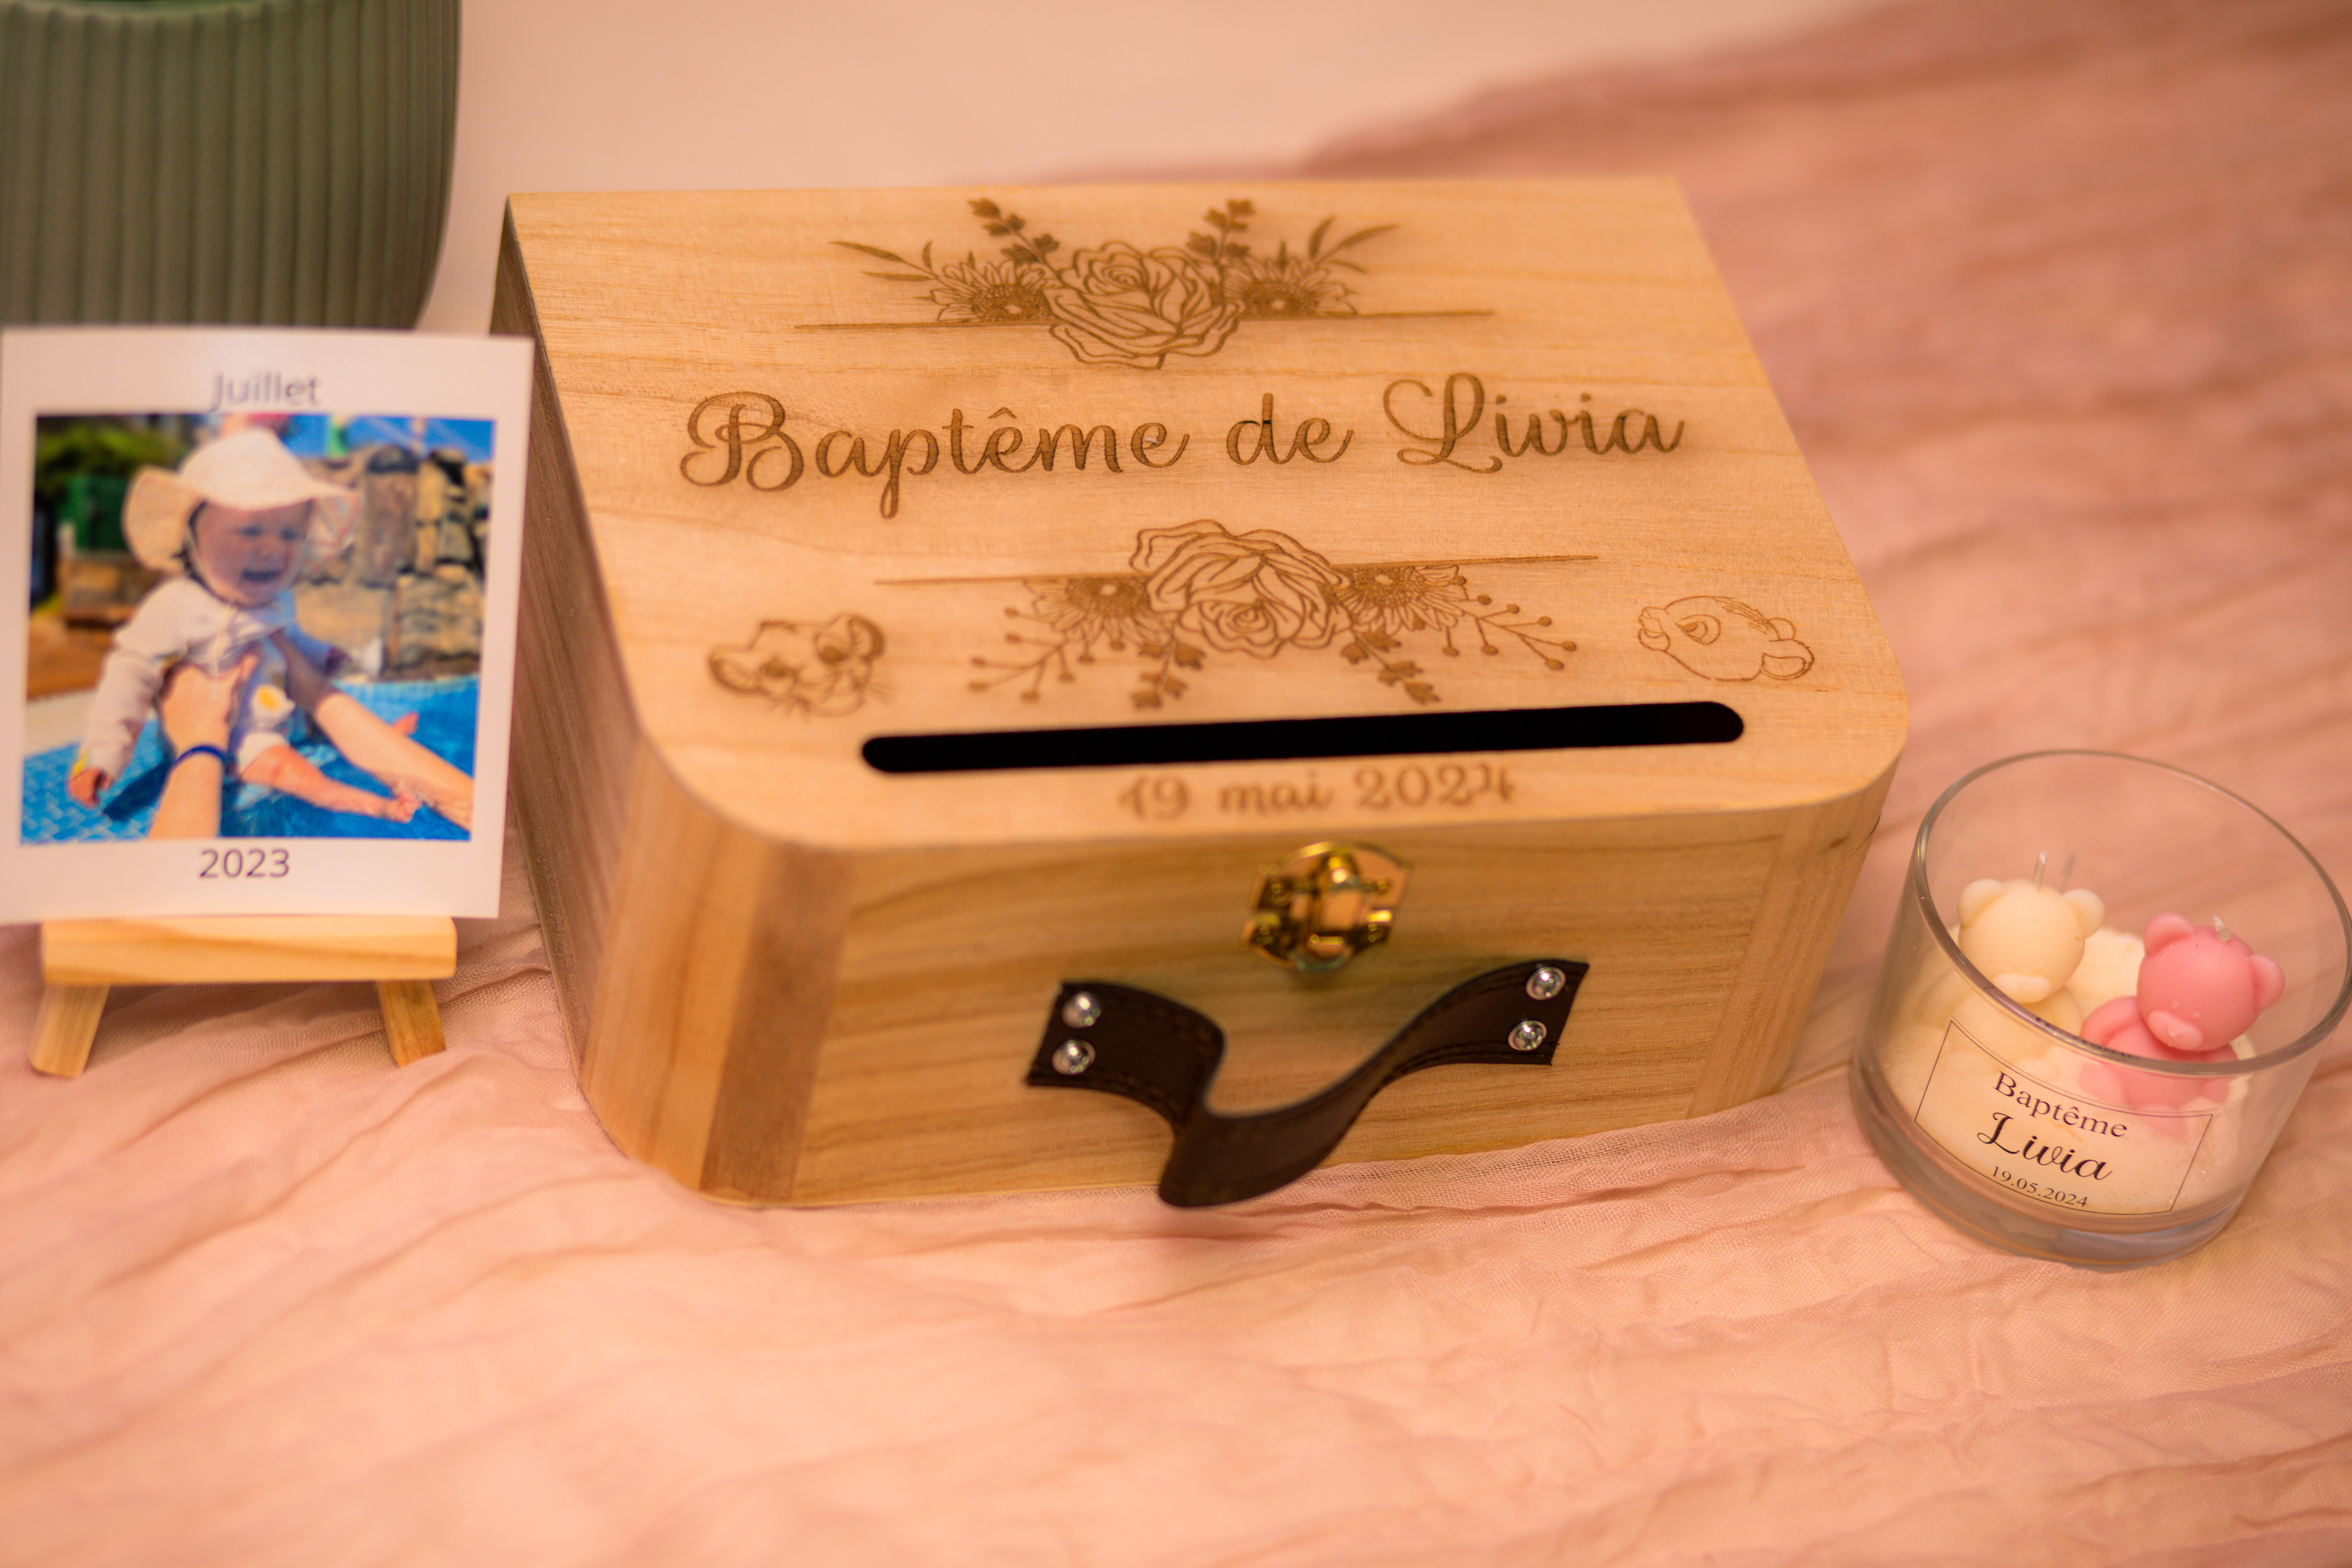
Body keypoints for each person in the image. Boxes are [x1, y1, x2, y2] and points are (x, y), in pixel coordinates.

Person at [66, 426, 475, 832]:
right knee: (292, 771)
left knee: (320, 713)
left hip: (280, 713)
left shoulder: (276, 602)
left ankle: (372, 752)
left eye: (290, 534)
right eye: (250, 530)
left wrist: (323, 653)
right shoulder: (177, 606)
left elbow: (292, 640)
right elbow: (131, 675)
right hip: (235, 739)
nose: (273, 548)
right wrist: (104, 753)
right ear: (191, 537)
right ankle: (369, 803)